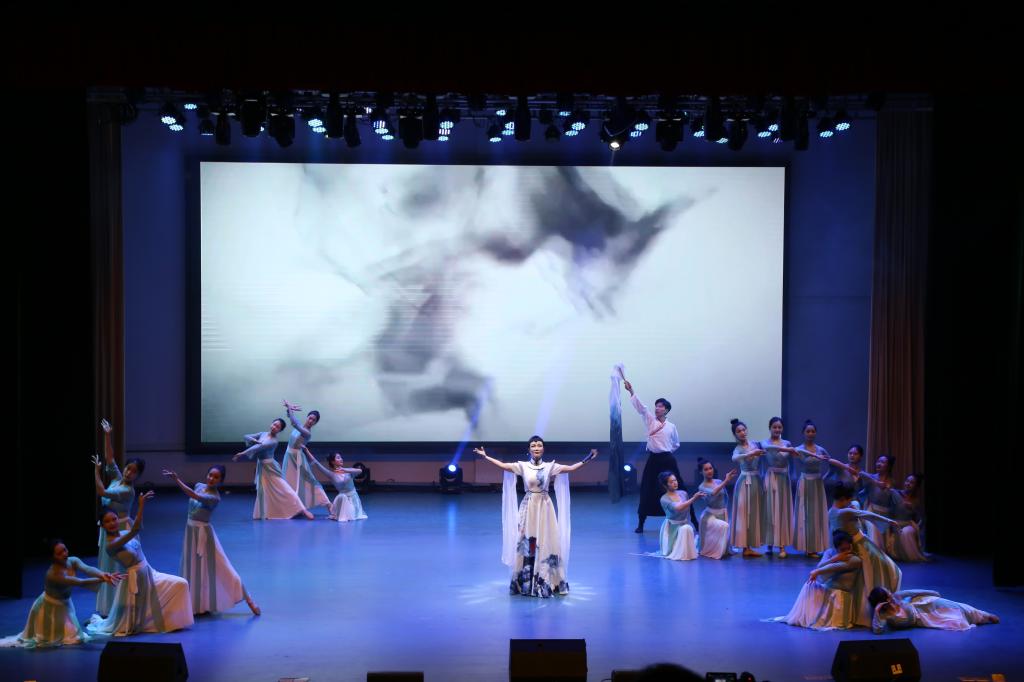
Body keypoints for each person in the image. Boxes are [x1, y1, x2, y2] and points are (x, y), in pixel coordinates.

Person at [474, 437, 598, 597]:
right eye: (533, 445)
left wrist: (588, 458)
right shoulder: (522, 466)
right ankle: (525, 581)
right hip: (529, 506)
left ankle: (548, 580)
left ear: (543, 449)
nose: (536, 448)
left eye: (539, 445)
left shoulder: (550, 466)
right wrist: (485, 457)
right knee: (526, 542)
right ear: (529, 450)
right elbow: (504, 466)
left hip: (545, 506)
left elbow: (571, 468)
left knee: (548, 540)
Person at [87, 492, 194, 636]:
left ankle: (173, 622)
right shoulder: (111, 545)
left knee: (181, 584)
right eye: (107, 521)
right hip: (136, 578)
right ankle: (159, 623)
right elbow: (136, 530)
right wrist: (141, 505)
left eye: (114, 519)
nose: (112, 523)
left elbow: (138, 527)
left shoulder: (124, 532)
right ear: (102, 525)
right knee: (142, 609)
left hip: (149, 572)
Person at [162, 466, 260, 615]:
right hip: (190, 532)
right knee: (193, 569)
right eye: (210, 475)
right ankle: (195, 604)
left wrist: (177, 480)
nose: (211, 479)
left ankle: (249, 599)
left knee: (223, 566)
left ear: (221, 481)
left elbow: (193, 495)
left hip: (204, 535)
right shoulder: (199, 485)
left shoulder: (214, 498)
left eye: (216, 477)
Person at [0, 540, 121, 648]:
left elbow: (87, 568)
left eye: (65, 549)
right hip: (49, 608)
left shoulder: (72, 561)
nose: (65, 554)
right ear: (52, 557)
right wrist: (103, 580)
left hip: (65, 604)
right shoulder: (53, 575)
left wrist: (103, 574)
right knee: (65, 639)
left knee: (74, 637)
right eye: (59, 553)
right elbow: (80, 582)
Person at [92, 417, 144, 617]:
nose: (129, 472)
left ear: (137, 476)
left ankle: (120, 606)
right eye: (128, 468)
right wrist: (108, 435)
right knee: (106, 565)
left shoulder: (127, 491)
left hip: (120, 530)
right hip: (109, 528)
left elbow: (102, 492)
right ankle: (108, 606)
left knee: (117, 567)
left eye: (134, 472)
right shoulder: (117, 478)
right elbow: (110, 459)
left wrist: (96, 472)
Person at [829, 484, 902, 626]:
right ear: (843, 498)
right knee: (885, 570)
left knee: (864, 579)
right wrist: (888, 521)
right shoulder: (844, 512)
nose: (850, 502)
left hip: (852, 545)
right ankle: (878, 606)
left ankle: (865, 611)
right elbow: (867, 514)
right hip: (861, 545)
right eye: (848, 500)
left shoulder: (831, 511)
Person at [622, 377, 681, 534]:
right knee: (647, 489)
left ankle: (680, 520)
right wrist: (631, 391)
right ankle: (641, 523)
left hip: (668, 460)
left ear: (666, 410)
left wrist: (667, 451)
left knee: (676, 487)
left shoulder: (671, 426)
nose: (657, 408)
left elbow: (676, 444)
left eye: (660, 406)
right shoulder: (650, 420)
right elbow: (641, 408)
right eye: (656, 406)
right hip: (653, 459)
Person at [770, 530, 863, 630]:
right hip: (828, 588)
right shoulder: (830, 552)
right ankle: (807, 617)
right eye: (842, 549)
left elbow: (837, 567)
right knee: (808, 585)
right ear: (836, 548)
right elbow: (819, 566)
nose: (846, 552)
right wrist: (834, 559)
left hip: (839, 592)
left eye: (848, 548)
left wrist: (817, 572)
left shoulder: (854, 559)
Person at [232, 418, 314, 520]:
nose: (274, 427)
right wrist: (253, 440)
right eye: (274, 424)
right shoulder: (263, 434)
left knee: (284, 488)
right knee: (263, 490)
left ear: (280, 430)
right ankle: (264, 512)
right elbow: (246, 436)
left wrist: (242, 453)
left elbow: (258, 448)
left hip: (270, 467)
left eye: (277, 427)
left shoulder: (273, 441)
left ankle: (303, 510)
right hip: (262, 466)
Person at [869, 587, 998, 633]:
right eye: (888, 593)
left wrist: (932, 592)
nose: (890, 593)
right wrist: (877, 611)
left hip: (924, 604)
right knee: (953, 619)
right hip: (926, 619)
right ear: (884, 599)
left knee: (955, 606)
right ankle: (979, 618)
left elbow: (913, 592)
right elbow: (877, 630)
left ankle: (984, 615)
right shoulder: (886, 616)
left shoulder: (897, 596)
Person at [281, 400, 330, 511]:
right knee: (289, 482)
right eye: (310, 418)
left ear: (315, 423)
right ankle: (293, 507)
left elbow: (294, 423)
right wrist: (289, 409)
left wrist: (290, 407)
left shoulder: (307, 433)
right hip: (289, 456)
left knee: (309, 481)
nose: (311, 421)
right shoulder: (300, 424)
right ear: (307, 417)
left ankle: (327, 503)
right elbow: (291, 417)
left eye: (314, 420)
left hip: (297, 458)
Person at [792, 420, 831, 558]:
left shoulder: (821, 449)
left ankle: (816, 546)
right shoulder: (798, 449)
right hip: (805, 483)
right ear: (803, 433)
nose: (810, 433)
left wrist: (824, 478)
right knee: (806, 515)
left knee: (816, 514)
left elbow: (831, 464)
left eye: (813, 431)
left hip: (817, 484)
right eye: (807, 431)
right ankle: (807, 546)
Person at [730, 419, 767, 557]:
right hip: (744, 482)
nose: (742, 432)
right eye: (738, 431)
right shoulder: (738, 449)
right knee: (744, 513)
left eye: (743, 430)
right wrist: (750, 454)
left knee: (755, 512)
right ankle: (745, 546)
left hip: (756, 480)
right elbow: (734, 458)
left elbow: (767, 448)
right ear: (735, 434)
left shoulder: (755, 444)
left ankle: (750, 545)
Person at [302, 447, 368, 522]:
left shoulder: (348, 471)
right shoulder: (331, 474)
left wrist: (345, 470)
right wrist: (306, 450)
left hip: (353, 500)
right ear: (333, 461)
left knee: (349, 510)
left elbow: (360, 471)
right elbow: (316, 463)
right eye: (338, 458)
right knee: (342, 497)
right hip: (342, 499)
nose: (341, 459)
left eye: (341, 457)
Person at [762, 416, 796, 557]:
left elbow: (792, 463)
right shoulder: (765, 443)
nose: (777, 429)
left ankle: (782, 545)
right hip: (771, 478)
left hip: (783, 479)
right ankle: (770, 543)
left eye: (779, 427)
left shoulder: (787, 443)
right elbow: (767, 449)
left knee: (782, 510)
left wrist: (792, 477)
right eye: (774, 427)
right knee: (770, 510)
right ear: (770, 428)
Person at [656, 473, 704, 560]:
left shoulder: (683, 493)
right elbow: (678, 508)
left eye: (675, 480)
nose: (675, 483)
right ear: (665, 485)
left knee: (687, 528)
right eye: (671, 482)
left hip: (684, 523)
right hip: (672, 527)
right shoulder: (664, 499)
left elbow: (687, 508)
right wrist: (694, 498)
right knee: (686, 528)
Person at [696, 461, 738, 559]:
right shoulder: (701, 487)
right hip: (710, 516)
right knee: (724, 526)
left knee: (726, 529)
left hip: (722, 514)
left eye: (710, 468)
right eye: (706, 469)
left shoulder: (718, 481)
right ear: (701, 472)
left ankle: (720, 548)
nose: (709, 471)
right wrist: (726, 480)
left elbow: (724, 497)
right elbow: (713, 493)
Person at [888, 473, 928, 562]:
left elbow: (921, 518)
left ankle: (912, 556)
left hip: (908, 524)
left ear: (916, 487)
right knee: (899, 533)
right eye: (907, 481)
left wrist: (913, 508)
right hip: (896, 523)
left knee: (907, 531)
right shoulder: (895, 493)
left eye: (912, 483)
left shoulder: (916, 501)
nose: (908, 484)